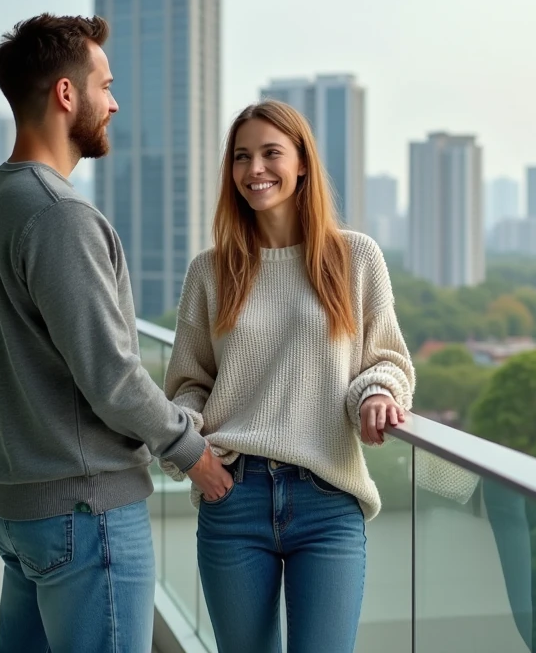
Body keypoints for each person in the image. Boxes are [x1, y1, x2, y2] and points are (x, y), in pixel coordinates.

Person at [0, 13, 232, 653]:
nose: (114, 101)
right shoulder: (60, 216)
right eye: (105, 84)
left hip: (19, 510)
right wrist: (193, 454)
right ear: (65, 94)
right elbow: (112, 373)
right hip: (85, 514)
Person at [160, 99, 414, 653]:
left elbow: (386, 358)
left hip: (328, 496)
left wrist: (376, 392)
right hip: (234, 494)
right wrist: (195, 452)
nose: (256, 169)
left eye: (271, 153)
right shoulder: (210, 270)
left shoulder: (355, 258)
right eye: (242, 157)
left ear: (302, 164)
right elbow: (188, 382)